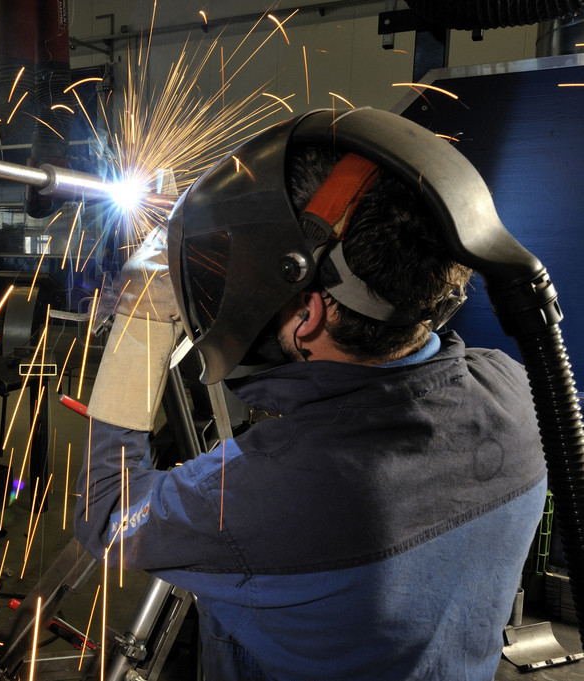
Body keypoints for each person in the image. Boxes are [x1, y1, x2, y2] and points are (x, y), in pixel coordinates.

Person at [74, 111, 547, 680]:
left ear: (308, 313)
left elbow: (109, 518)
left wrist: (139, 323)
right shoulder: (515, 389)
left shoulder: (281, 485)